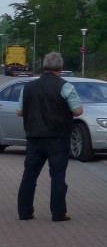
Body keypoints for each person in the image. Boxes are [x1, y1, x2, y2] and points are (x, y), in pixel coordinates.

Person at [16, 51, 83, 222]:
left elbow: (19, 112)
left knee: (29, 176)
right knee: (58, 177)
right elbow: (77, 111)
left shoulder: (28, 87)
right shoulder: (65, 86)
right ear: (61, 67)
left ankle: (24, 213)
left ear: (44, 66)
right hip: (58, 138)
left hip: (34, 138)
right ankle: (58, 213)